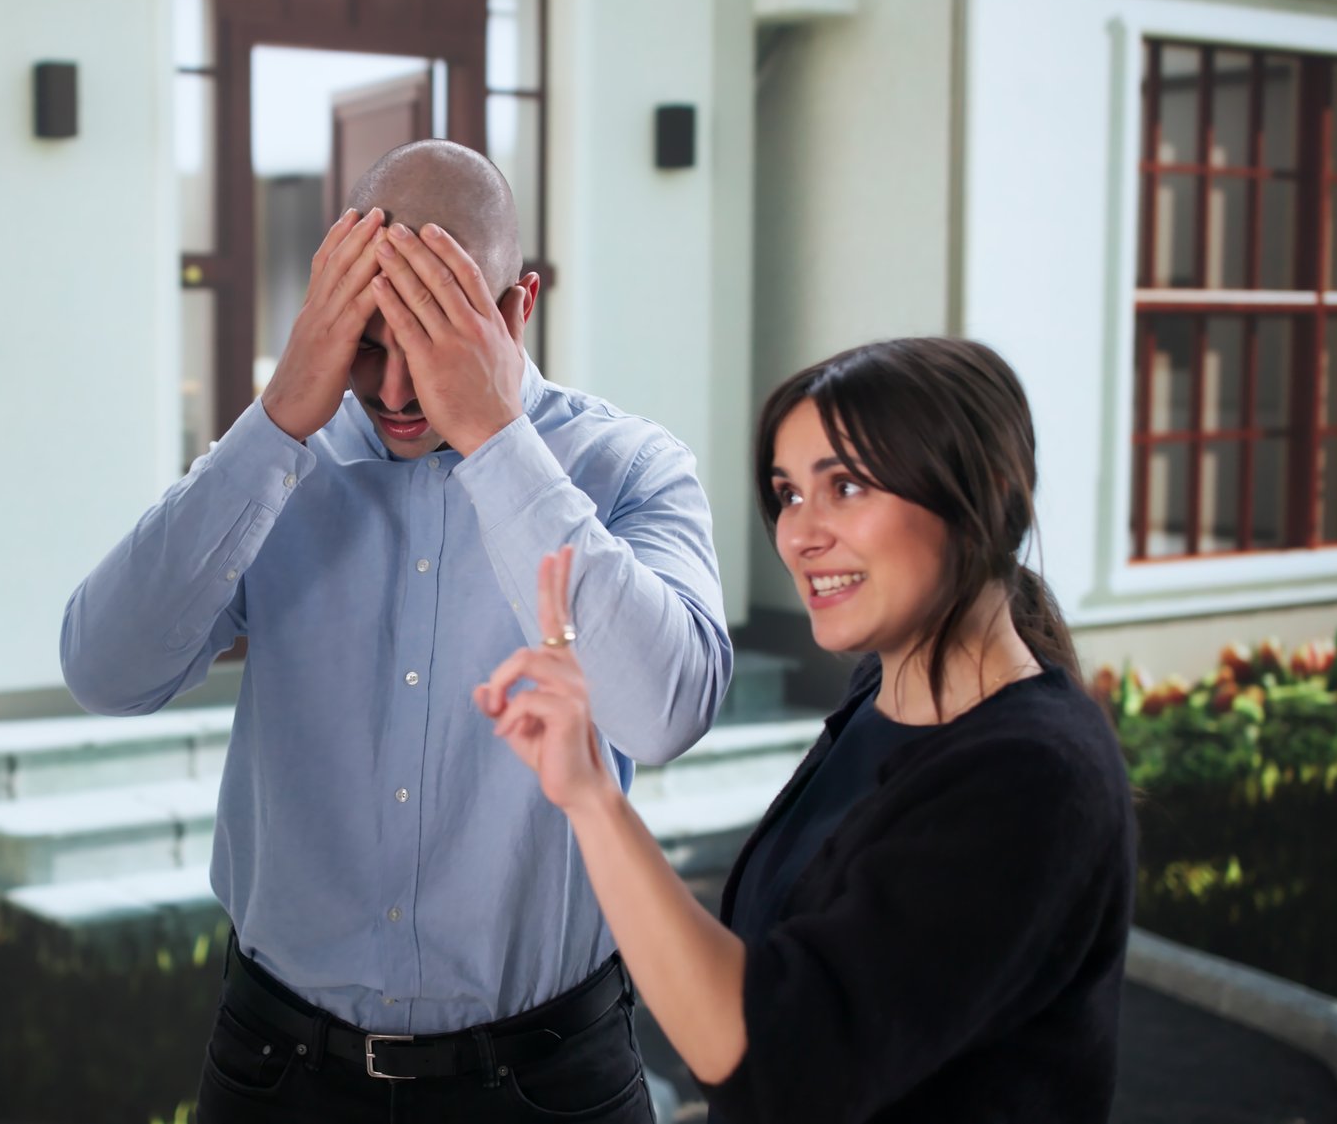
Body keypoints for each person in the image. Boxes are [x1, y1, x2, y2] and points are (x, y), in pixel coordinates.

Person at [62, 139, 732, 1122]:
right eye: (369, 340)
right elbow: (102, 669)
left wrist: (500, 443)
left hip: (549, 1077)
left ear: (516, 309)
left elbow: (666, 711)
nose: (398, 391)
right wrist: (280, 414)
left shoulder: (631, 468)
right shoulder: (282, 463)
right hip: (278, 1070)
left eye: (433, 340)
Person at [478, 337, 1135, 1123]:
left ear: (988, 498)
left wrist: (592, 796)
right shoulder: (884, 699)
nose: (798, 534)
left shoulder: (1033, 778)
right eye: (789, 493)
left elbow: (768, 1055)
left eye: (846, 485)